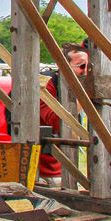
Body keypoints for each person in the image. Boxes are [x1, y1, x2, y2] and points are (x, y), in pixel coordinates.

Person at [38, 42, 90, 184]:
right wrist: (83, 94)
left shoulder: (75, 85)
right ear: (63, 67)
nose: (85, 72)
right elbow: (56, 122)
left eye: (88, 67)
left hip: (63, 161)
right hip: (43, 165)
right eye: (81, 66)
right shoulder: (45, 85)